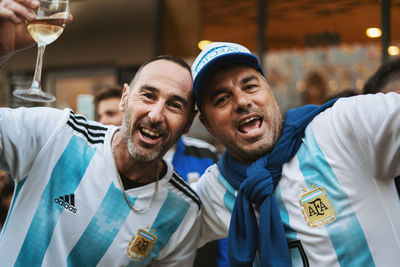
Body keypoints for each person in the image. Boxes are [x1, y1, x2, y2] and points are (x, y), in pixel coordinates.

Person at [191, 42, 400, 266]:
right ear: (208, 125)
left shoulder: (341, 128)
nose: (242, 101)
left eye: (250, 86)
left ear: (269, 91)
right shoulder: (216, 189)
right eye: (222, 99)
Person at [0, 55, 202, 266]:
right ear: (124, 98)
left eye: (175, 105)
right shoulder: (58, 133)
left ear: (188, 122)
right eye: (148, 95)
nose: (156, 115)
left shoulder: (183, 209)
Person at [93, 80, 227, 267]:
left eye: (110, 113)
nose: (103, 121)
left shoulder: (205, 154)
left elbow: (221, 216)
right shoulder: (97, 163)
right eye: (100, 115)